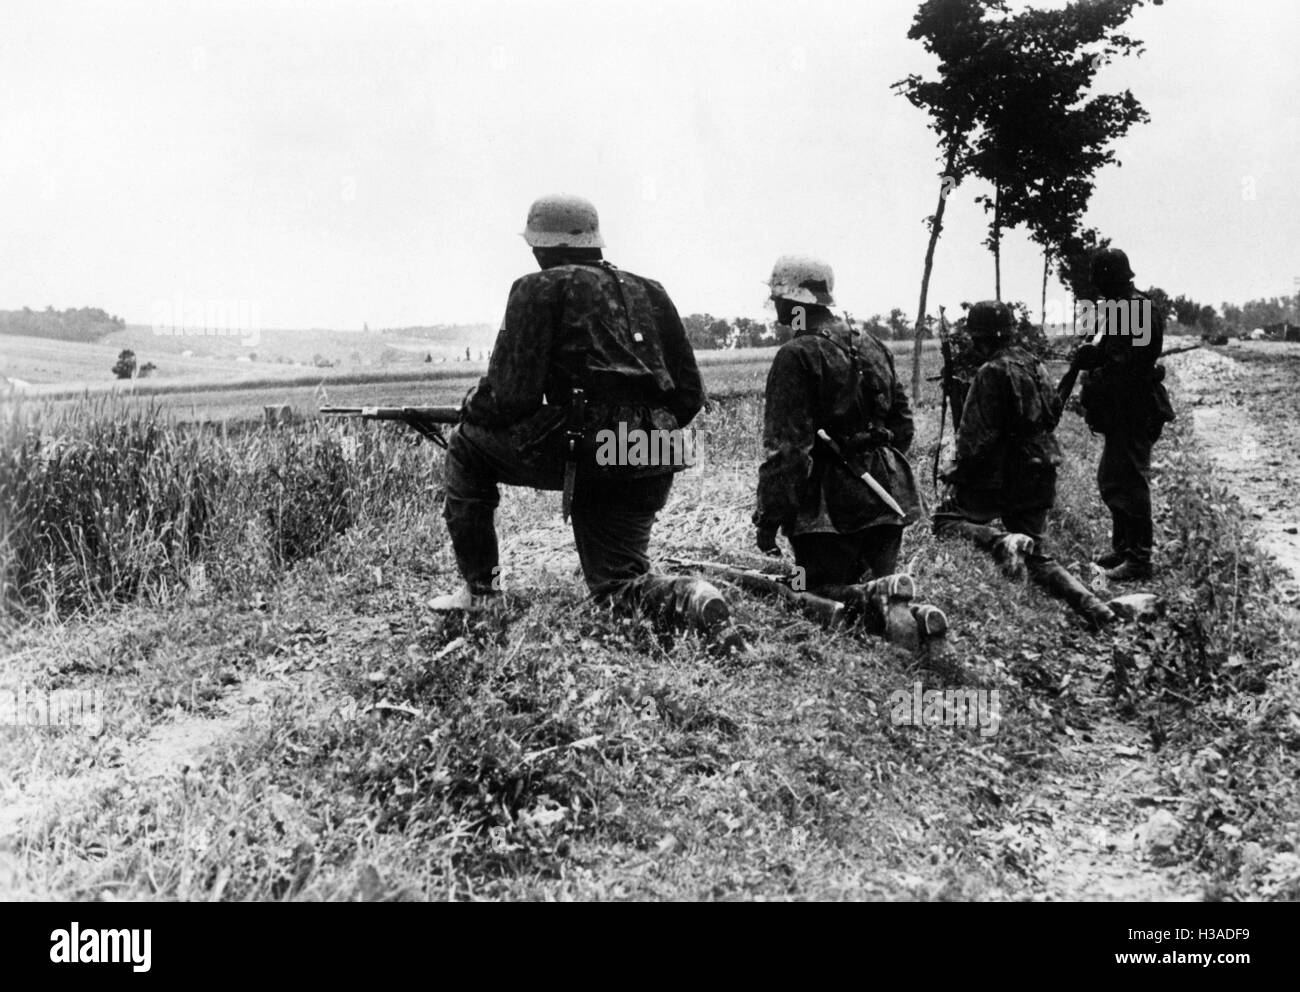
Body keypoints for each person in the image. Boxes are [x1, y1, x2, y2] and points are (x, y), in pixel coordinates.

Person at [432, 193, 744, 653]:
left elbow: (509, 396)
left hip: (590, 448)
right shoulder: (650, 290)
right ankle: (690, 597)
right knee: (617, 587)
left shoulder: (536, 288)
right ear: (594, 241)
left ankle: (483, 591)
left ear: (540, 246)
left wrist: (472, 407)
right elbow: (690, 394)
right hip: (655, 450)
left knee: (466, 446)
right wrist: (639, 434)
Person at [753, 255, 948, 652]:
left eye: (777, 301)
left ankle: (894, 612)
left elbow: (787, 453)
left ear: (794, 304)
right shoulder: (872, 344)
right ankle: (906, 621)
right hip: (887, 495)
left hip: (830, 510)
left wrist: (769, 518)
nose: (775, 312)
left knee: (814, 592)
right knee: (873, 604)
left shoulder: (796, 355)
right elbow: (903, 426)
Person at [933, 300, 1115, 629]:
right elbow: (1052, 414)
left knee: (945, 520)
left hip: (1006, 474)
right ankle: (1093, 606)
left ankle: (1000, 540)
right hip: (1041, 466)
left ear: (982, 338)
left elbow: (976, 441)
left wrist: (955, 472)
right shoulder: (1034, 364)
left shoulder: (991, 372)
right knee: (1036, 553)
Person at [1075, 248, 1173, 581]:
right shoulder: (1114, 309)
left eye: (1101, 279)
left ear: (1112, 278)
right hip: (1121, 411)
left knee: (1130, 482)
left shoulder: (1138, 307)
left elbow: (1138, 359)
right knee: (1112, 480)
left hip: (1137, 409)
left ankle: (1139, 560)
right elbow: (1108, 352)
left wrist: (1100, 366)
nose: (1097, 286)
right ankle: (1124, 548)